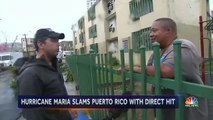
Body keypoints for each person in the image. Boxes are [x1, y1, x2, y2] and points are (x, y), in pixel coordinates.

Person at [118, 18, 208, 120]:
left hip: (188, 109)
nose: (151, 34)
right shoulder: (156, 53)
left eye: (154, 30)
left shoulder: (183, 46)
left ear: (168, 31)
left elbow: (166, 70)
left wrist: (136, 69)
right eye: (150, 31)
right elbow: (148, 75)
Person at [17, 28, 73, 120]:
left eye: (58, 41)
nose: (58, 44)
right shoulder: (30, 74)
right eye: (54, 40)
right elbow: (32, 114)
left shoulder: (54, 65)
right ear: (40, 44)